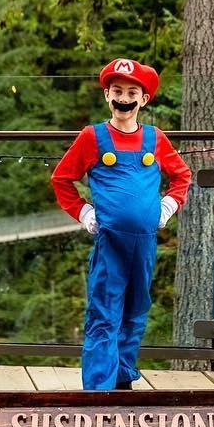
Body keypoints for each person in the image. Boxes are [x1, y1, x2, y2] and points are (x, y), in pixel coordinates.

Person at [51, 58, 192, 390]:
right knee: (105, 309)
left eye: (132, 92)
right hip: (111, 241)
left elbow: (182, 176)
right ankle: (99, 388)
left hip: (144, 242)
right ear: (106, 95)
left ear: (143, 99)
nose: (124, 98)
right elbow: (62, 179)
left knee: (137, 306)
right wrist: (85, 213)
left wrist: (167, 206)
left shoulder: (155, 139)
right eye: (117, 91)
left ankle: (122, 377)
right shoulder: (92, 137)